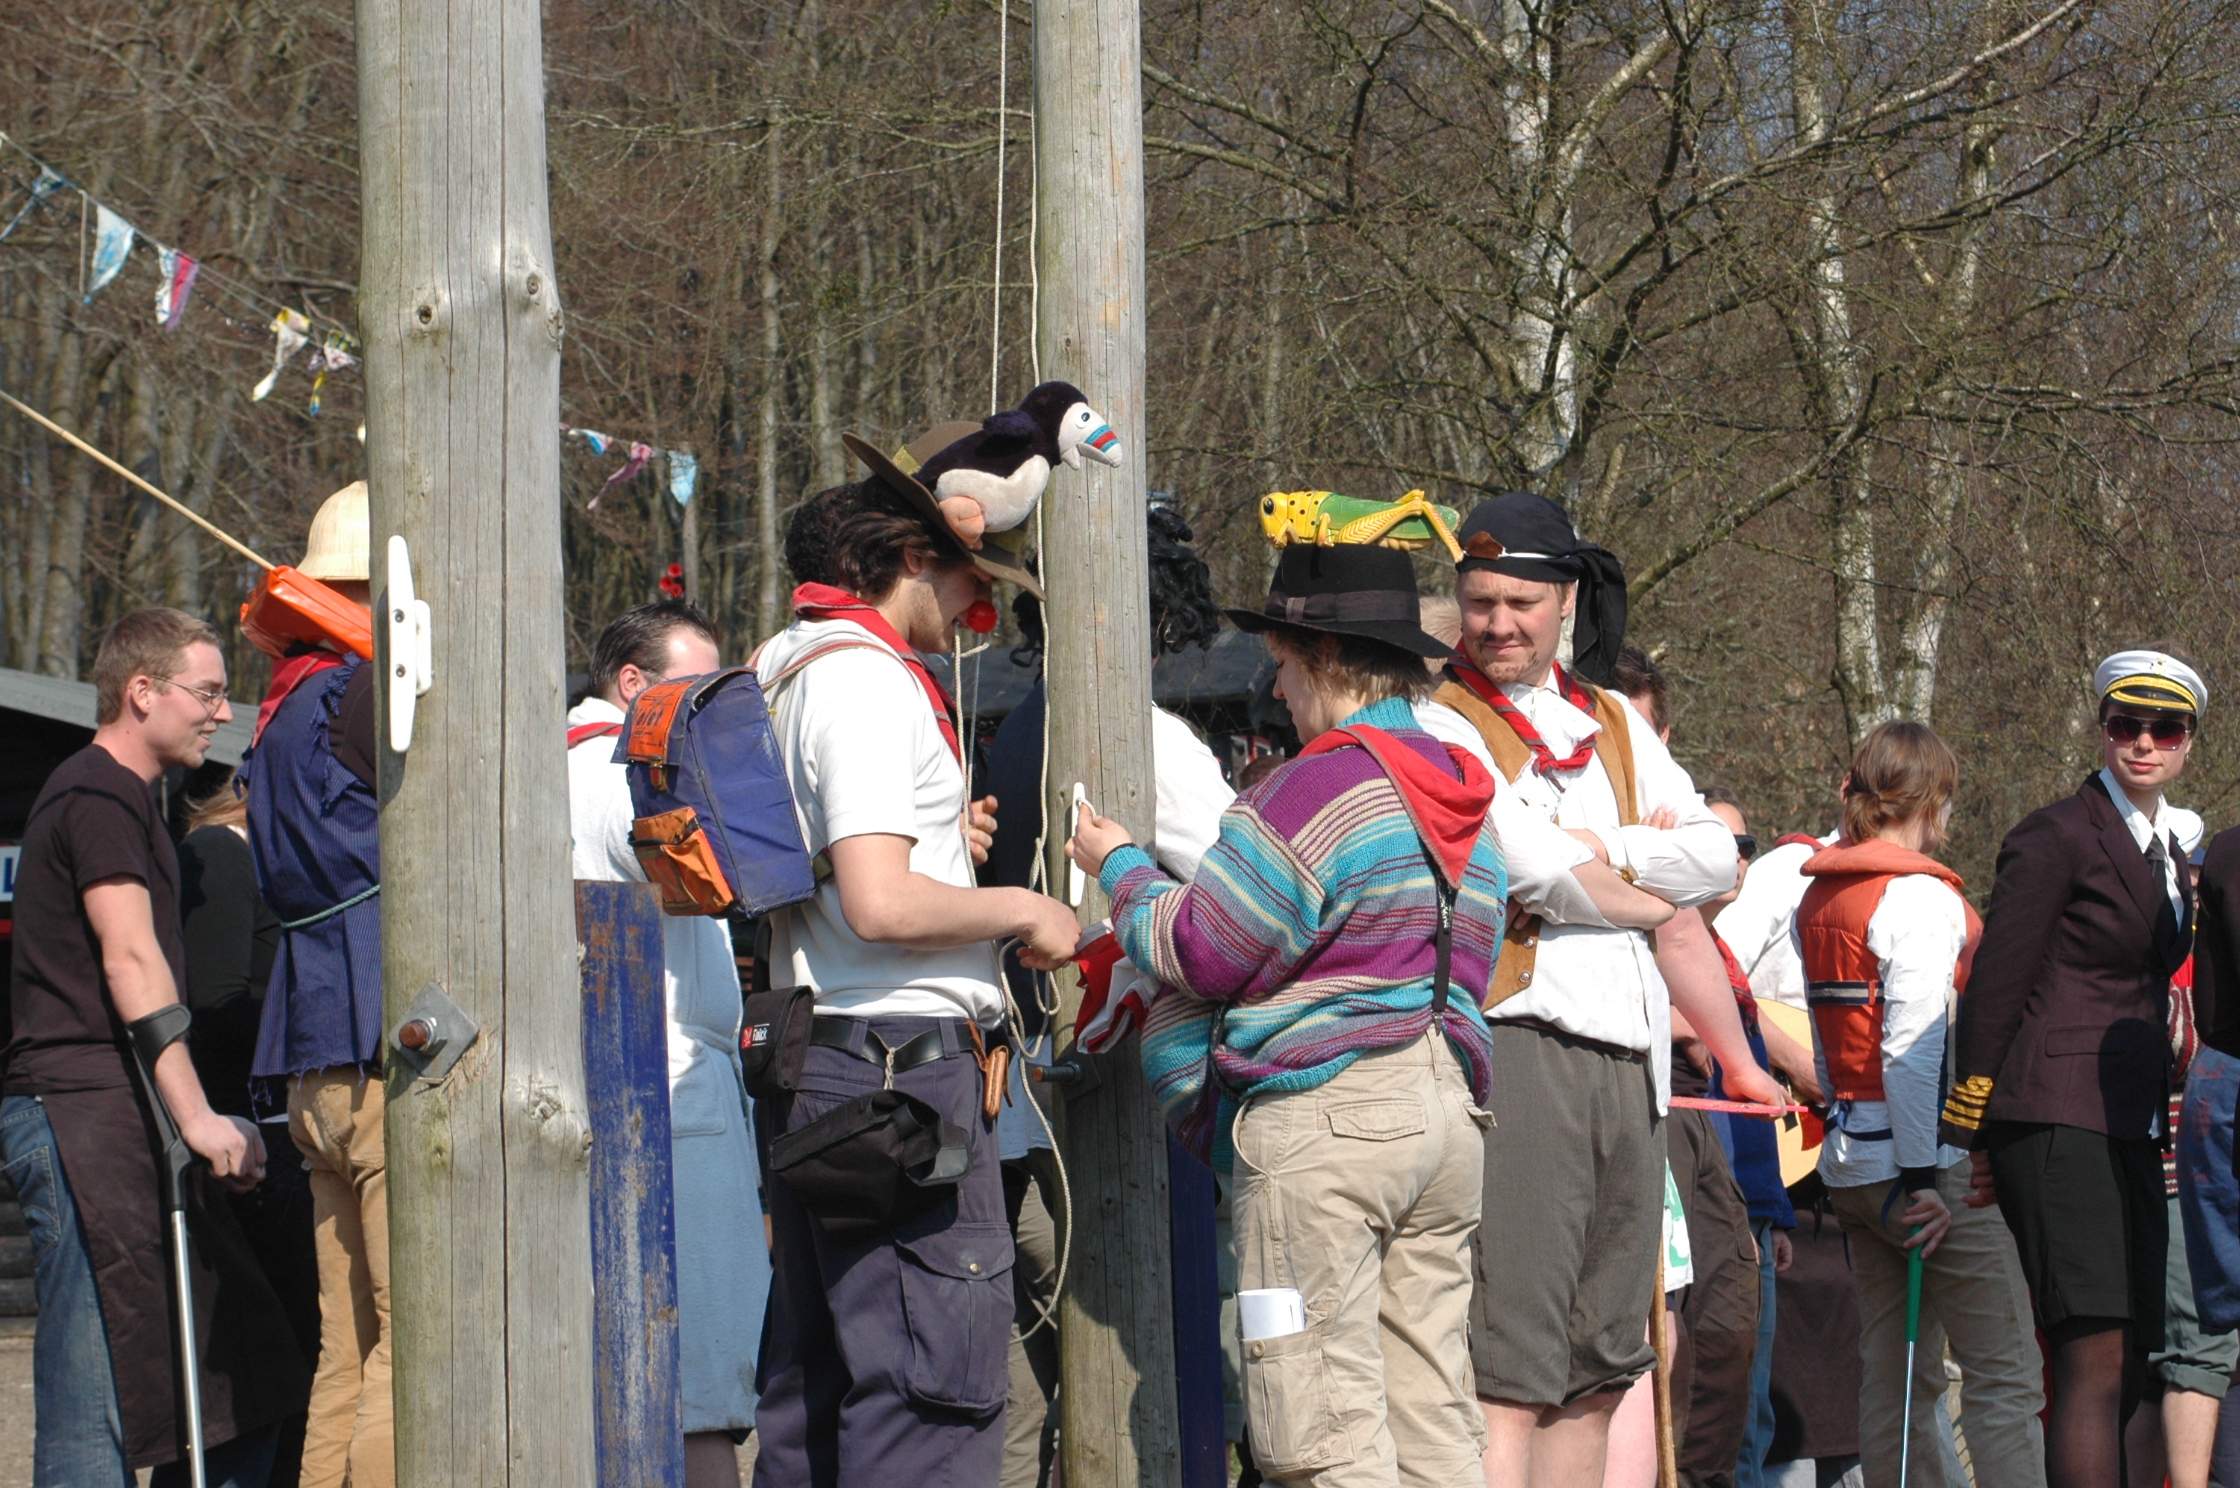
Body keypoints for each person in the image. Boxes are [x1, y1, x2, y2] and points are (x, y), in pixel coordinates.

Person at [1066, 534, 1679, 1488]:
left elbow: (1203, 945)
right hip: (1447, 1123)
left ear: (1323, 658)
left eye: (1281, 665)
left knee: (1318, 1426)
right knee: (1432, 1420)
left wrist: (1120, 868)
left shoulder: (1316, 785)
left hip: (1326, 1127)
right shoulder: (1464, 796)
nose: (1276, 692)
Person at [1412, 492, 1779, 1488]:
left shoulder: (1611, 719)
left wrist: (1605, 848)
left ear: (1565, 601)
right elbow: (1537, 873)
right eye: (1479, 601)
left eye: (1520, 603)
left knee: (1600, 1368)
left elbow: (1718, 856)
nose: (1497, 624)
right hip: (1519, 1047)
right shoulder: (1437, 722)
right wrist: (1632, 875)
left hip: (1633, 1062)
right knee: (1510, 1367)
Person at [748, 438, 1081, 1486]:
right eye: (973, 577)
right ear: (913, 556)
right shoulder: (865, 681)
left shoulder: (784, 663)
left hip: (821, 1054)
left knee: (817, 1397)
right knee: (927, 1402)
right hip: (900, 1072)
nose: (982, 604)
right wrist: (1024, 906)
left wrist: (945, 852)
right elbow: (881, 903)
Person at [1, 607, 308, 1486]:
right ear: (142, 692)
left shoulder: (129, 800)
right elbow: (131, 960)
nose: (222, 712)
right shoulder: (96, 794)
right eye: (207, 692)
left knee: (238, 1376)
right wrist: (200, 1118)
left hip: (119, 1114)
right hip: (77, 1113)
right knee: (91, 1394)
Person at [977, 500, 1236, 1488]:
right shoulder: (1149, 741)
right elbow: (1244, 902)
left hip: (1026, 1082)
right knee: (1142, 1362)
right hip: (1121, 1083)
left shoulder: (1020, 723)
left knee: (1029, 1384)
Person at [1943, 648, 2206, 1488]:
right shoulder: (2055, 833)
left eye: (2166, 729)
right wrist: (1977, 1127)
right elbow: (1997, 983)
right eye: (2126, 725)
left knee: (2131, 1359)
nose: (2144, 743)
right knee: (2091, 1358)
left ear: (2189, 741)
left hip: (2129, 1121)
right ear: (2103, 729)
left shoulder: (2170, 851)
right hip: (2055, 1115)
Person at [1795, 721, 2043, 1488]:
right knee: (2005, 1374)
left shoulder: (1820, 893)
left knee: (1896, 1373)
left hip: (1850, 1164)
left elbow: (1827, 1036)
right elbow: (1912, 1050)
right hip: (1923, 1170)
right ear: (1935, 800)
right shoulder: (1918, 898)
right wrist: (1923, 1177)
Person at [566, 599, 770, 1487]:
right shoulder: (612, 772)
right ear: (633, 685)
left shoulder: (579, 764)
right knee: (697, 1390)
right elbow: (712, 867)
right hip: (673, 1093)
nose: (708, 710)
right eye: (695, 689)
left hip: (655, 1081)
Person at [239, 481, 392, 1488]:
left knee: (348, 1347)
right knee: (414, 1345)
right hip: (382, 1058)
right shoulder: (360, 695)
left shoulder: (280, 709)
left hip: (310, 1067)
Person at [1608, 651, 1769, 1488]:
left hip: (1698, 1112)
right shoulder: (1573, 807)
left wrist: (1738, 1053)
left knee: (1726, 1320)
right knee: (1654, 1332)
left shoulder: (1676, 815)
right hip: (1631, 1096)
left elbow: (1685, 938)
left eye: (1638, 729)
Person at [178, 779, 320, 1487]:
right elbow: (215, 1004)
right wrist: (327, 1014)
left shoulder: (284, 865)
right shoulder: (222, 851)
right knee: (272, 1371)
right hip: (250, 1150)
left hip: (287, 1142)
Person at [2132, 918, 2235, 1488]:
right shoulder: (2161, 943)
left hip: (2184, 1180)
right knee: (2196, 1353)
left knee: (2162, 1364)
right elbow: (2177, 1041)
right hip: (2178, 1181)